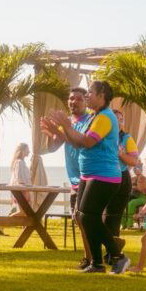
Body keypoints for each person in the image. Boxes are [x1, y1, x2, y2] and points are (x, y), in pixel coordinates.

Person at [43, 80, 130, 275]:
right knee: (83, 217)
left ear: (102, 95)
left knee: (89, 217)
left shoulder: (105, 117)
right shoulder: (95, 117)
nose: (87, 96)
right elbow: (77, 143)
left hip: (104, 175)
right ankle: (96, 263)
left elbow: (88, 142)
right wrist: (60, 131)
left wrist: (66, 125)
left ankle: (118, 256)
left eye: (90, 93)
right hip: (88, 175)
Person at [42, 87, 93, 268]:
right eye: (71, 99)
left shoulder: (90, 120)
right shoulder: (67, 122)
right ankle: (93, 256)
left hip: (89, 177)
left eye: (78, 99)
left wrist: (60, 131)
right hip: (74, 180)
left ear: (86, 102)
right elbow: (52, 148)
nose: (74, 102)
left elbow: (82, 143)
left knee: (83, 219)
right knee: (79, 220)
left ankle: (92, 258)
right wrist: (51, 134)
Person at [100, 109, 138, 260]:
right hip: (102, 179)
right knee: (101, 219)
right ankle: (112, 250)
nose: (119, 123)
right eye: (115, 120)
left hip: (121, 180)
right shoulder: (100, 137)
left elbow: (134, 161)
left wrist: (120, 153)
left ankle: (112, 255)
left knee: (113, 219)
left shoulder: (127, 139)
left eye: (121, 120)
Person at [8, 142, 31, 216]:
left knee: (25, 214)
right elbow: (20, 180)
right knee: (23, 213)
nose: (29, 151)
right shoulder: (20, 162)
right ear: (23, 151)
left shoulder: (21, 162)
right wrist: (27, 192)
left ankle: (8, 219)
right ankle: (6, 221)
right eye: (28, 149)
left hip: (23, 191)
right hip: (22, 192)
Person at [124, 162, 146, 229]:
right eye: (134, 168)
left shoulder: (144, 178)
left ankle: (130, 225)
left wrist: (134, 186)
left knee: (132, 203)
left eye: (137, 168)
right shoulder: (132, 178)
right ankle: (123, 224)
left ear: (141, 169)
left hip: (143, 197)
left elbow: (141, 189)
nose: (135, 169)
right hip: (133, 196)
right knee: (122, 204)